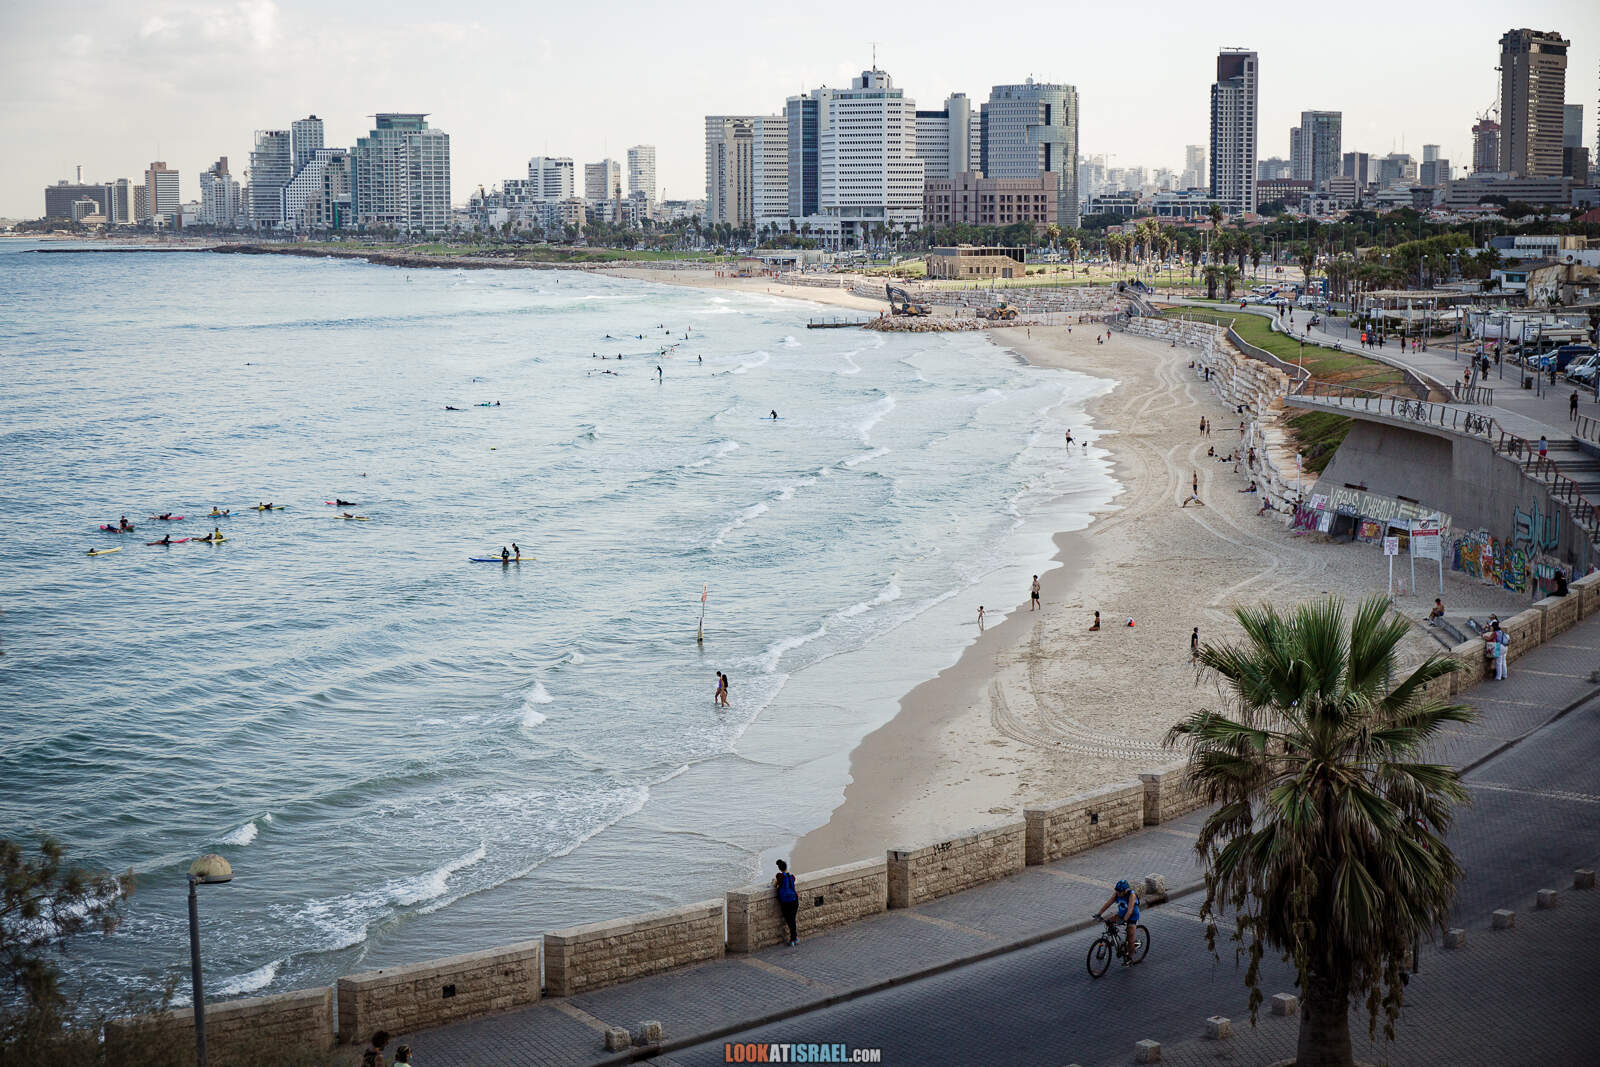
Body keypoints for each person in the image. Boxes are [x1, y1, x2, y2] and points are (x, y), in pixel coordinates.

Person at [1094, 880, 1141, 963]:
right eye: (1117, 891)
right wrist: (1099, 914)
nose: (1118, 893)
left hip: (1132, 917)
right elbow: (1108, 903)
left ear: (1125, 890)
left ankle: (1130, 958)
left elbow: (1130, 911)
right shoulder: (1117, 893)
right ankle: (1115, 940)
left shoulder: (1131, 895)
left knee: (1130, 936)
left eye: (1120, 891)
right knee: (1108, 922)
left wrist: (1124, 921)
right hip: (1121, 914)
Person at [774, 859, 800, 946]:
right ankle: (795, 938)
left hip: (785, 902)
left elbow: (775, 885)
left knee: (789, 920)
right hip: (794, 900)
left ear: (779, 868)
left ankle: (793, 939)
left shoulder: (779, 876)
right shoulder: (791, 877)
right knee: (792, 920)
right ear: (786, 867)